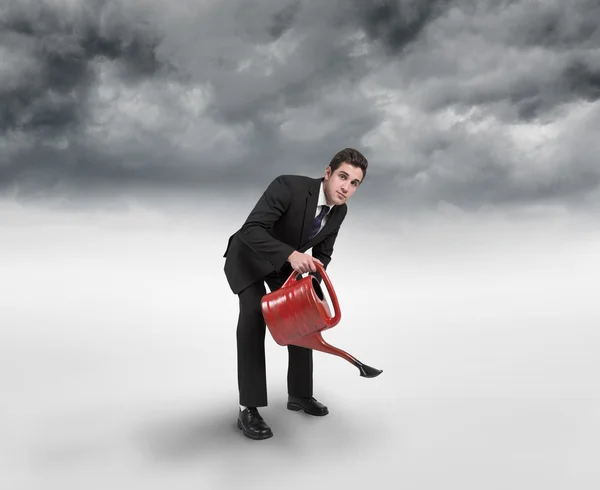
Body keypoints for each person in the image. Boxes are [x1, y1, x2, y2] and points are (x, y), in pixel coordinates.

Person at [223, 148, 368, 440]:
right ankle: (247, 408)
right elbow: (251, 230)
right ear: (328, 173)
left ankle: (300, 395)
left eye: (354, 183)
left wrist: (310, 289)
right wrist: (291, 255)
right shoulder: (287, 186)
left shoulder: (340, 211)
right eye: (343, 177)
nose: (346, 187)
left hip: (283, 267)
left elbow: (323, 255)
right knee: (254, 316)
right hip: (248, 257)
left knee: (303, 317)